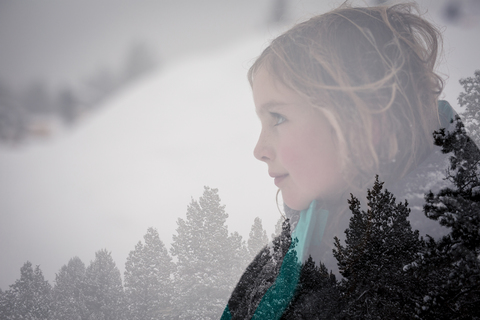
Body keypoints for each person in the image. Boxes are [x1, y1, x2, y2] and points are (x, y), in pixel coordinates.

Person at [222, 3, 466, 319]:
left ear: (365, 122)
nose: (260, 149)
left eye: (278, 117)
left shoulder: (438, 275)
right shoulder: (300, 241)